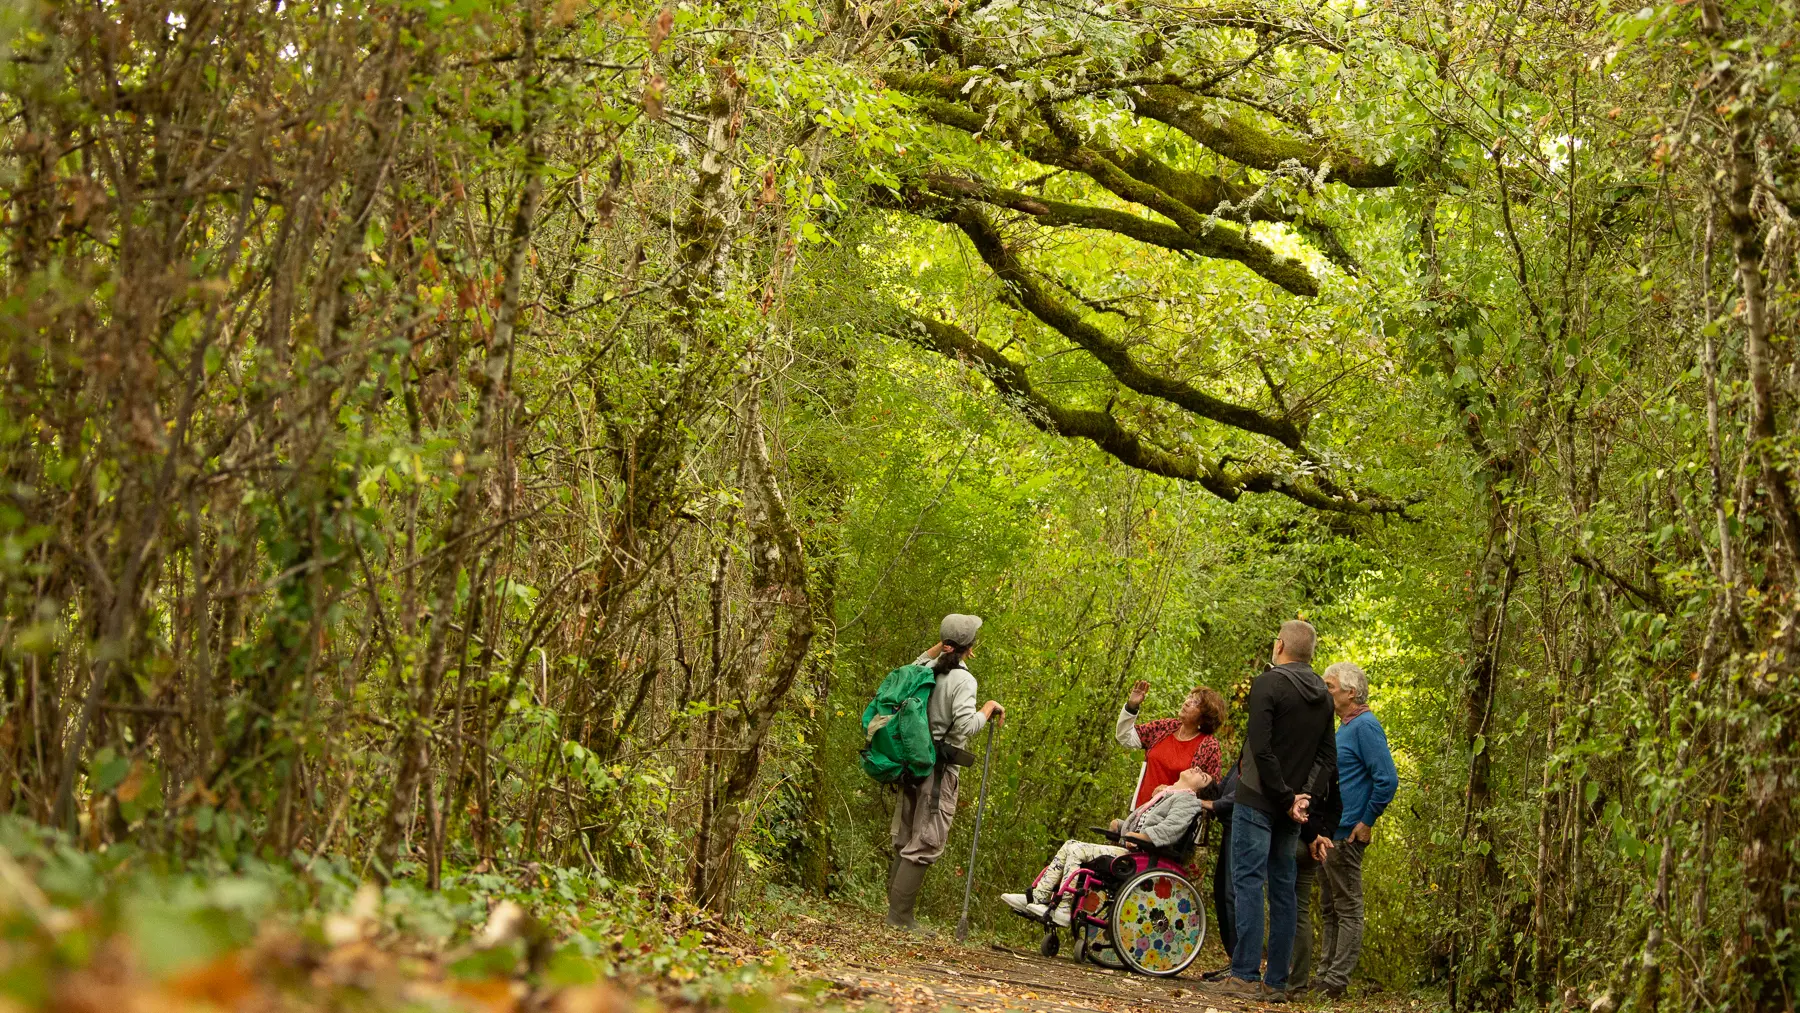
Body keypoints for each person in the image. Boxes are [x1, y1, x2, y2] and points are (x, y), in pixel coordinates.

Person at [1209, 620, 1336, 1004]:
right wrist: (1302, 799)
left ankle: (1246, 975)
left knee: (1247, 881)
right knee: (1283, 889)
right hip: (1291, 807)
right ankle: (1276, 982)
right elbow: (1326, 758)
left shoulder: (1268, 684)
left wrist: (1285, 798)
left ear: (1280, 645)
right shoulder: (1325, 696)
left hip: (1259, 800)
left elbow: (1261, 750)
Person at [886, 613, 1004, 931]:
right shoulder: (963, 680)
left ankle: (895, 915)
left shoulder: (925, 668)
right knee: (925, 841)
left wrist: (941, 647)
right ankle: (899, 918)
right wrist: (988, 709)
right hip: (938, 771)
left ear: (945, 643)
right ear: (971, 647)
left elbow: (917, 662)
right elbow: (966, 725)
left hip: (912, 764)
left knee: (907, 836)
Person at [1000, 766, 1213, 925]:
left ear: (1200, 791)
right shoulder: (1168, 794)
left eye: (1203, 776)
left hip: (1143, 855)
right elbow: (1144, 822)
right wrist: (1121, 826)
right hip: (1135, 847)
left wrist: (1140, 835)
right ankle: (1037, 896)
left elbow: (1169, 830)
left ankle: (1064, 907)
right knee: (1069, 846)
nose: (1197, 769)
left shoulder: (1188, 801)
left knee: (1076, 849)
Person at [1314, 661, 1398, 999]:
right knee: (1329, 907)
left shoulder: (1365, 726)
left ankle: (1337, 982)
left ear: (1351, 692)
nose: (1325, 691)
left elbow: (1387, 779)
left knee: (1347, 908)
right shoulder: (1344, 726)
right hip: (1329, 833)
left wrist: (1366, 822)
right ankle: (1324, 977)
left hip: (1347, 833)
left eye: (1330, 686)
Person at [1116, 681, 1227, 805]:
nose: (1186, 702)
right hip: (1140, 810)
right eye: (1189, 697)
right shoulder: (1166, 727)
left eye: (1195, 703)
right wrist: (1131, 706)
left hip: (1171, 819)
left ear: (1205, 717)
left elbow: (1210, 795)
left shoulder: (1209, 746)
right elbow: (1125, 737)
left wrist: (1172, 792)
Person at [1199, 758, 1240, 980]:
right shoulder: (1250, 746)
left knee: (1231, 893)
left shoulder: (1267, 745)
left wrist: (1214, 805)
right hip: (1229, 824)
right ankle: (1234, 959)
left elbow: (1247, 788)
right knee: (1221, 890)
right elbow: (1226, 784)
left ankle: (1240, 963)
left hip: (1242, 825)